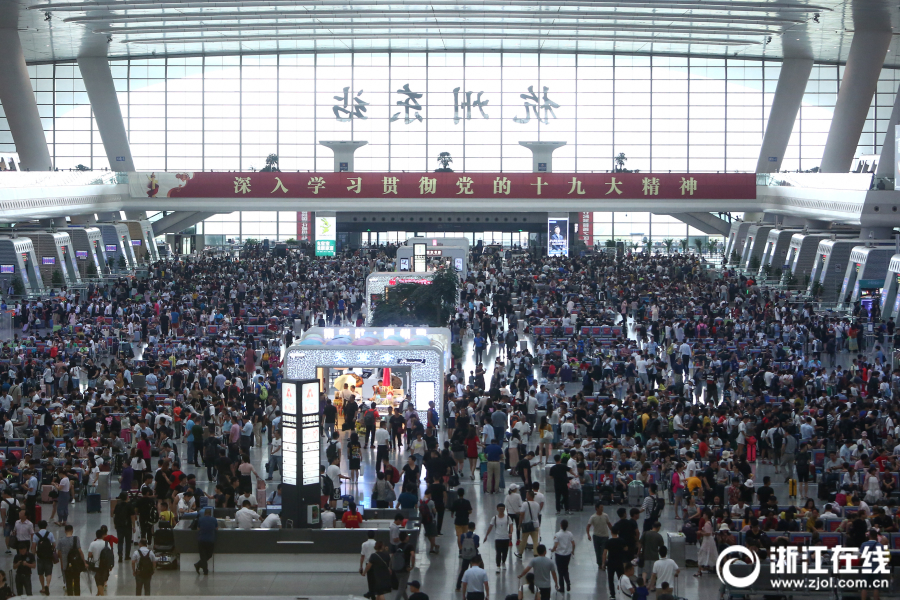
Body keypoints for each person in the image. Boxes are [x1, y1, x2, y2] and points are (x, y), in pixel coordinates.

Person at [485, 503, 513, 572]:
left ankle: (503, 562)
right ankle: (498, 566)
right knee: (498, 552)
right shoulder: (494, 518)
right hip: (498, 538)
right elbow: (490, 527)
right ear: (497, 509)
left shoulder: (507, 518)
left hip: (506, 537)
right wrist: (486, 535)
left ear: (504, 509)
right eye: (500, 509)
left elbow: (511, 526)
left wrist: (510, 533)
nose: (501, 510)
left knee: (505, 552)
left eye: (503, 509)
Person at [57, 524, 84, 597]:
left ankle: (70, 596)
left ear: (65, 531)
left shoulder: (61, 540)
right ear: (72, 530)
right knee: (77, 581)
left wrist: (62, 562)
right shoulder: (76, 539)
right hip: (76, 564)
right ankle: (77, 596)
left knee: (68, 583)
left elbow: (59, 553)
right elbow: (80, 551)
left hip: (66, 565)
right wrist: (84, 562)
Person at [550, 519, 575, 593]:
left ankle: (562, 587)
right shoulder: (570, 534)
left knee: (560, 571)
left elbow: (555, 546)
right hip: (567, 555)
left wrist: (552, 550)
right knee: (565, 569)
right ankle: (568, 582)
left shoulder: (557, 534)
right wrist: (572, 551)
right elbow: (573, 544)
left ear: (560, 525)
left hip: (559, 555)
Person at [515, 490, 541, 559]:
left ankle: (520, 553)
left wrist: (519, 524)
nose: (526, 496)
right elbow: (537, 514)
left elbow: (522, 515)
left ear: (529, 496)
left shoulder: (525, 504)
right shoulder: (537, 504)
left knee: (524, 540)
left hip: (526, 525)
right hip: (535, 525)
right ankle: (536, 554)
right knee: (535, 541)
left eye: (527, 494)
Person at [30, 520, 54, 596]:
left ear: (39, 526)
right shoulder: (50, 534)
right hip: (48, 556)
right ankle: (48, 585)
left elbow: (33, 547)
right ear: (46, 526)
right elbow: (54, 544)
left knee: (40, 573)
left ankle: (43, 588)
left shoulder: (36, 535)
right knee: (48, 573)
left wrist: (34, 554)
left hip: (40, 557)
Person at [87, 528, 113, 596]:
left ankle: (102, 596)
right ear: (103, 535)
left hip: (96, 565)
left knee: (98, 581)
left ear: (96, 535)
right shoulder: (106, 544)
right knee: (103, 580)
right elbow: (110, 554)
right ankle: (99, 594)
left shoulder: (93, 543)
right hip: (105, 565)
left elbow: (89, 555)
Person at [456, 522, 481, 591]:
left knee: (463, 570)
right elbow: (477, 545)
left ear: (467, 527)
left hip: (465, 555)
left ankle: (458, 586)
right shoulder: (476, 537)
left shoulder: (463, 536)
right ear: (474, 528)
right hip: (473, 556)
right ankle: (476, 585)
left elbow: (461, 543)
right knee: (475, 570)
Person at [587, 502, 612, 571]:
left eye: (602, 507)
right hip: (596, 536)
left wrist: (613, 531)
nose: (602, 509)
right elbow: (588, 526)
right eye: (601, 507)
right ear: (596, 508)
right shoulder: (593, 517)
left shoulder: (605, 516)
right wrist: (588, 535)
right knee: (598, 551)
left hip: (605, 536)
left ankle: (603, 564)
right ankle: (599, 563)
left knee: (604, 551)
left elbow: (609, 524)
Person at [192, 507, 217, 575]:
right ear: (210, 514)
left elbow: (198, 528)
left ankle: (199, 566)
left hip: (201, 539)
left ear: (204, 513)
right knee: (209, 555)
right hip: (210, 540)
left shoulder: (200, 519)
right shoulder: (214, 519)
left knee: (203, 556)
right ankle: (204, 569)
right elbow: (216, 528)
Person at [391, 531, 415, 600]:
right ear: (406, 537)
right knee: (401, 589)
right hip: (405, 570)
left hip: (396, 569)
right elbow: (413, 555)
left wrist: (391, 567)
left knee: (402, 587)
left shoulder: (397, 546)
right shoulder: (409, 546)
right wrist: (412, 566)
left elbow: (392, 557)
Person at [112, 492, 136, 562]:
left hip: (119, 526)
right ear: (127, 497)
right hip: (127, 526)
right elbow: (132, 516)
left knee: (120, 541)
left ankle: (120, 555)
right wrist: (133, 526)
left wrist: (115, 524)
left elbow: (114, 515)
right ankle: (127, 555)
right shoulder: (129, 506)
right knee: (128, 541)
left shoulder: (117, 505)